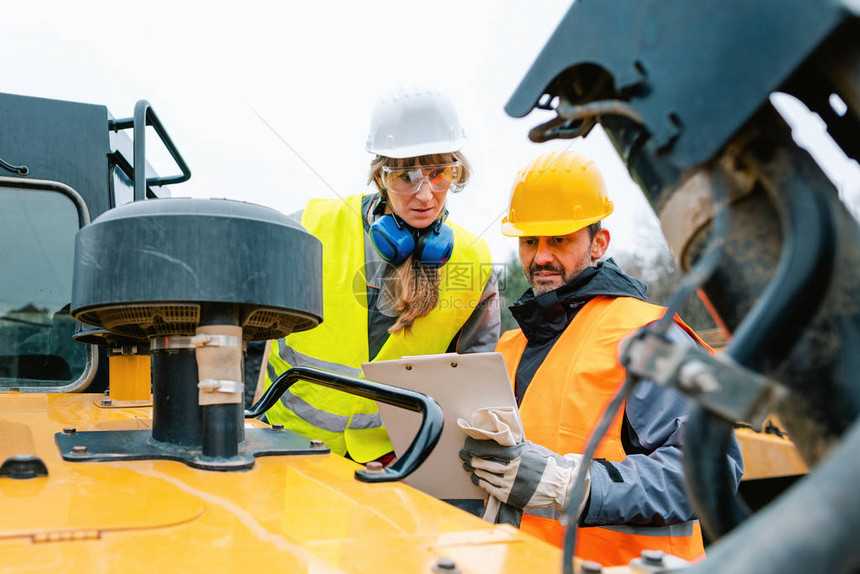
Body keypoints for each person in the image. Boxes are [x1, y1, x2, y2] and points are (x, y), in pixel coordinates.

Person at [459, 151, 743, 566]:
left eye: (559, 239)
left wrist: (577, 486)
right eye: (530, 241)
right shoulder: (509, 346)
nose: (540, 258)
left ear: (599, 242)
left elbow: (713, 470)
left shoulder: (651, 335)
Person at [260, 91, 500, 464]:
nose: (425, 195)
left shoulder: (476, 263)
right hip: (286, 448)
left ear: (456, 172)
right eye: (406, 177)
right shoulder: (311, 228)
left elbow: (473, 385)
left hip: (391, 466)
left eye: (439, 174)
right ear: (380, 176)